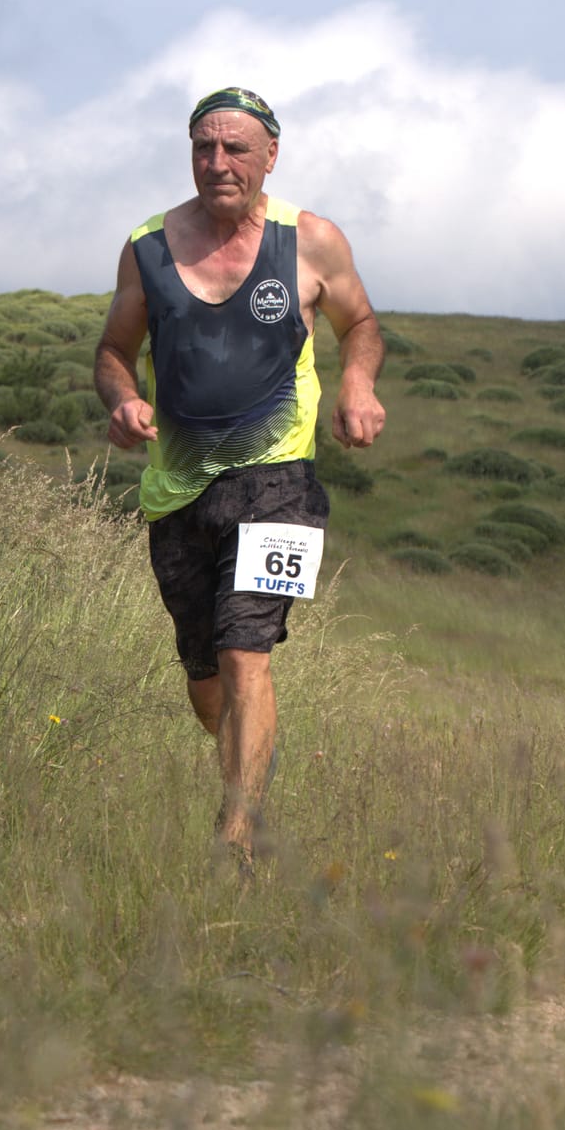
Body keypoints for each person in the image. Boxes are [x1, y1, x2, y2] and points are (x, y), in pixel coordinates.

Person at [94, 86, 386, 863]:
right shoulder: (147, 248)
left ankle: (237, 833)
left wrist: (357, 382)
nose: (217, 163)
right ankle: (247, 766)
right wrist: (123, 402)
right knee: (203, 670)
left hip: (279, 480)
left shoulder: (311, 239)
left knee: (244, 649)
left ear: (270, 156)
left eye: (235, 149)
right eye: (203, 148)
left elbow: (360, 324)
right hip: (178, 488)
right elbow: (113, 353)